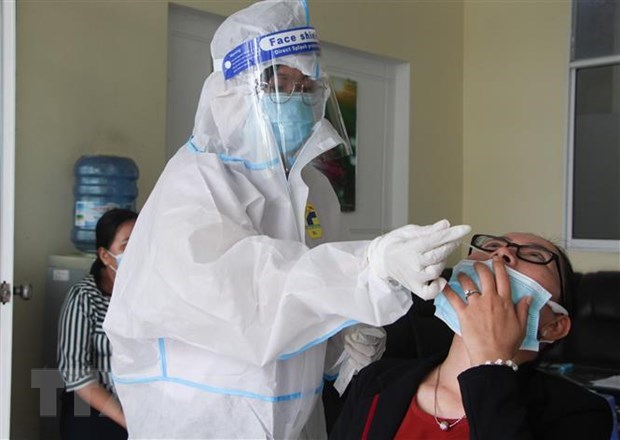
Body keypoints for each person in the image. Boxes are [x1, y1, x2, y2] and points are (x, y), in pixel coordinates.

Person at [102, 1, 470, 438]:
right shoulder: (195, 182)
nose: (295, 98)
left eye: (306, 84)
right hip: (200, 417)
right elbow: (244, 292)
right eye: (277, 82)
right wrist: (368, 268)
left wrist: (343, 343)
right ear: (232, 90)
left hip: (294, 416)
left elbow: (309, 293)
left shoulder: (313, 188)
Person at [330, 233, 614, 439]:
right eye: (491, 245)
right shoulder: (377, 380)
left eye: (535, 255)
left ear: (555, 326)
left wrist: (491, 365)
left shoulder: (581, 413)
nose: (502, 254)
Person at [57, 208, 137, 440]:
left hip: (139, 404)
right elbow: (76, 373)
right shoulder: (84, 296)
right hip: (94, 407)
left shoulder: (148, 295)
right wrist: (127, 421)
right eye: (127, 245)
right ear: (104, 256)